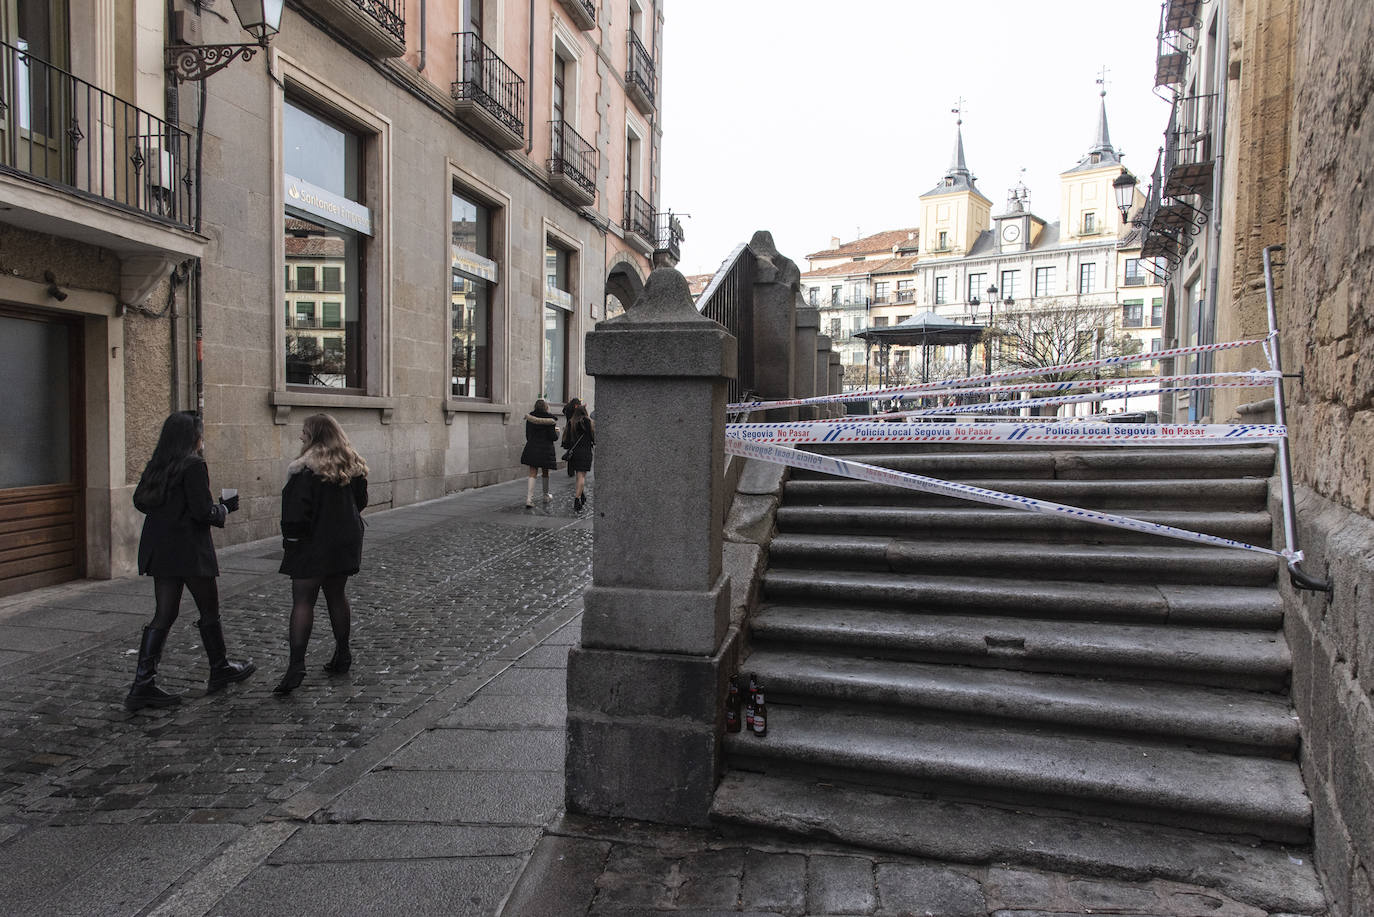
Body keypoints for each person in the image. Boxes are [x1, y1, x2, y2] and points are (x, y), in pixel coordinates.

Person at [126, 411, 255, 711]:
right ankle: (220, 668)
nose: (202, 438)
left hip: (161, 548)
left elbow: (141, 501)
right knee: (209, 608)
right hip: (189, 549)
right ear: (191, 436)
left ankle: (142, 684)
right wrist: (223, 509)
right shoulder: (193, 464)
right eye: (200, 432)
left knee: (164, 613)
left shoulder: (159, 463)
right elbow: (201, 511)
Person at [274, 413, 369, 695]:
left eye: (304, 432)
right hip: (343, 542)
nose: (301, 436)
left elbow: (294, 515)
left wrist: (291, 542)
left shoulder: (303, 471)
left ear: (314, 435)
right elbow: (361, 502)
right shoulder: (353, 465)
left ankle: (296, 666)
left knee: (303, 600)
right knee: (336, 595)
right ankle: (342, 653)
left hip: (311, 543)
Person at [520, 398, 559, 508]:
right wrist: (557, 433)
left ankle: (529, 498)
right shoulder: (550, 420)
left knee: (532, 472)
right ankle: (545, 495)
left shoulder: (530, 418)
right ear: (546, 407)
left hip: (532, 447)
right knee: (545, 472)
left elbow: (528, 435)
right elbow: (553, 437)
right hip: (546, 449)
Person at [562, 403, 595, 511]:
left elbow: (566, 441)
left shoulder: (571, 422)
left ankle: (581, 494)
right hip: (585, 452)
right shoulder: (588, 422)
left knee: (578, 476)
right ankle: (577, 499)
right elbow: (593, 439)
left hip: (575, 453)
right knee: (582, 477)